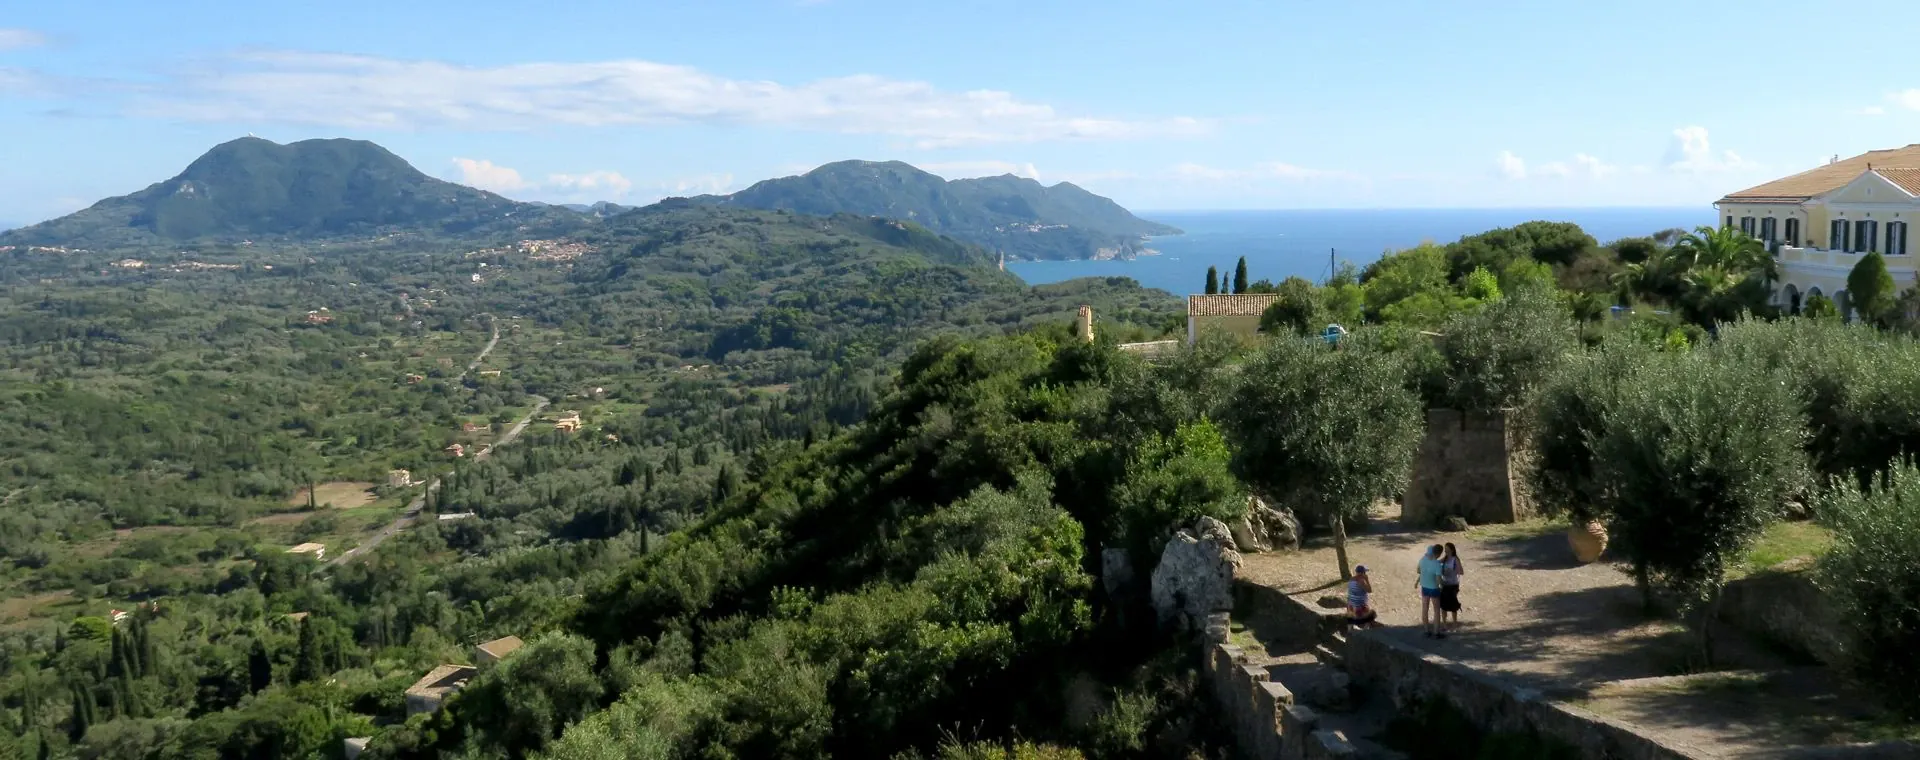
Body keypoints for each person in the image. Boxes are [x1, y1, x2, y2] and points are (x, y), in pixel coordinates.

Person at [1416, 544, 1447, 639]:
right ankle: (1436, 632)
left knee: (1425, 608)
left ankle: (1426, 630)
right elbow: (1438, 580)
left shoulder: (1423, 559)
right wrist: (1443, 585)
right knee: (1436, 610)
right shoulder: (1437, 564)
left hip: (1424, 587)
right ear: (1439, 553)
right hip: (1434, 589)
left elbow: (1418, 570)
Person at [1440, 542, 1465, 632]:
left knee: (1453, 605)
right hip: (1444, 584)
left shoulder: (1455, 559)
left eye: (1447, 548)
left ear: (1452, 549)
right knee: (1443, 605)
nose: (1445, 550)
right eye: (1445, 548)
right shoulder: (1445, 559)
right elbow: (1437, 563)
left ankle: (1455, 624)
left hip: (1453, 585)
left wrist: (1453, 570)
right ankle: (1444, 625)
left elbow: (1461, 571)